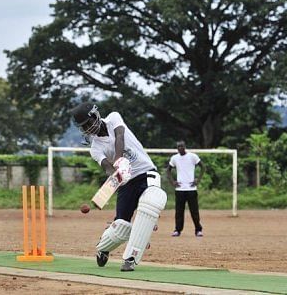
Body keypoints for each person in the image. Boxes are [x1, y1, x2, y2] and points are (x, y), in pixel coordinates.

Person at [70, 102, 167, 272]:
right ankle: (103, 247)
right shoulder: (95, 148)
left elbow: (120, 137)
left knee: (152, 201)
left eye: (88, 122)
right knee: (121, 225)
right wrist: (116, 171)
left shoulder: (114, 117)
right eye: (83, 126)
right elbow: (107, 168)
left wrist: (120, 161)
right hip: (125, 181)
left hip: (146, 171)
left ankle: (130, 258)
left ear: (95, 115)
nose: (88, 128)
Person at [166, 140, 205, 237]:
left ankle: (198, 229)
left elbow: (203, 167)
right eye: (178, 147)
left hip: (191, 189)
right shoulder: (175, 158)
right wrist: (172, 182)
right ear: (177, 148)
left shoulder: (192, 156)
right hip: (180, 189)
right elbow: (168, 170)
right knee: (179, 211)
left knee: (194, 211)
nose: (180, 148)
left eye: (182, 146)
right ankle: (177, 230)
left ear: (185, 147)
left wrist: (198, 180)